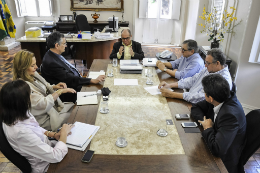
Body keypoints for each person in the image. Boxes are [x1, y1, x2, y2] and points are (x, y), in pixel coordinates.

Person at [0, 80, 75, 173]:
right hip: (46, 166)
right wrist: (63, 134)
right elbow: (56, 156)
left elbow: (35, 127)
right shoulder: (21, 133)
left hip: (47, 150)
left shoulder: (16, 113)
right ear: (22, 101)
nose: (32, 96)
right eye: (30, 94)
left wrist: (52, 134)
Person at [191, 74, 246, 173]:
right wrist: (205, 121)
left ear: (210, 98)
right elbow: (195, 107)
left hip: (223, 162)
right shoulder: (220, 97)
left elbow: (217, 149)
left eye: (204, 92)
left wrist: (208, 128)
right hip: (217, 140)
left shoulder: (230, 116)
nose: (204, 94)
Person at [13, 50, 75, 131]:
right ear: (23, 68)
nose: (36, 67)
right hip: (45, 119)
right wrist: (59, 92)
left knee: (75, 107)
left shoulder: (32, 74)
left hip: (52, 109)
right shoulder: (23, 87)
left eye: (35, 64)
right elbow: (43, 104)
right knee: (74, 117)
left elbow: (45, 86)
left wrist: (54, 87)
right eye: (32, 65)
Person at [41, 31, 106, 103]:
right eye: (64, 43)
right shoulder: (51, 62)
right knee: (98, 93)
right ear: (57, 45)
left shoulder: (53, 54)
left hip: (74, 81)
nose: (66, 46)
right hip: (69, 91)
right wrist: (91, 80)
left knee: (100, 88)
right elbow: (70, 79)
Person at [158, 48, 232, 104]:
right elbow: (192, 80)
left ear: (217, 63)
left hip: (199, 106)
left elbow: (201, 97)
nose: (205, 65)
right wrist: (170, 85)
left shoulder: (223, 80)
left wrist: (172, 94)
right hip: (189, 99)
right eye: (205, 62)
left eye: (208, 63)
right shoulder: (210, 69)